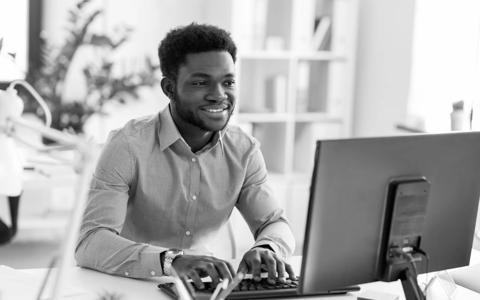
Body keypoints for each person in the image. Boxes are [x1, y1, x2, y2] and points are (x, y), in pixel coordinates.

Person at [75, 23, 296, 290]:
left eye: (228, 82)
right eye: (201, 82)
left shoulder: (244, 150)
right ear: (169, 88)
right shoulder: (128, 145)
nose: (219, 95)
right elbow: (90, 241)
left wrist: (268, 248)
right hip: (134, 286)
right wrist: (172, 261)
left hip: (213, 290)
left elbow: (274, 223)